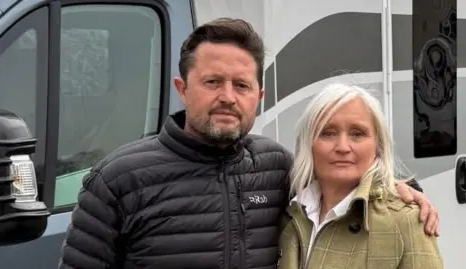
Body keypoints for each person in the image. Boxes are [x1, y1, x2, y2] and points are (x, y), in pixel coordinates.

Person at [58, 18, 438, 269]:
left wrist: (406, 191)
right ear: (183, 89)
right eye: (212, 82)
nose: (227, 96)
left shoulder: (274, 167)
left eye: (241, 86)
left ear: (258, 96)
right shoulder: (118, 179)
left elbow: (338, 181)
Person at [277, 83, 443, 269]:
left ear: (378, 146)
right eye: (327, 133)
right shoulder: (292, 213)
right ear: (309, 144)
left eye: (357, 134)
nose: (342, 147)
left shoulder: (407, 221)